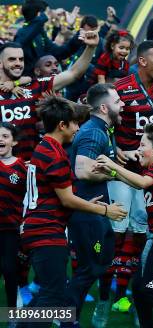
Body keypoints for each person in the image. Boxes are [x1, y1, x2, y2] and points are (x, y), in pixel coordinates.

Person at [20, 96, 126, 328]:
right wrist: (104, 209)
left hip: (40, 230)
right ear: (62, 125)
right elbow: (67, 200)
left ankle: (16, 321)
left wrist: (90, 203)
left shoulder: (46, 148)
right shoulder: (54, 154)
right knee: (52, 296)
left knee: (50, 293)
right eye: (75, 123)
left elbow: (63, 196)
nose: (79, 127)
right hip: (46, 232)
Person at [101, 40, 153, 315]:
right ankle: (107, 295)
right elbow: (103, 122)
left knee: (142, 234)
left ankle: (136, 296)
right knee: (116, 232)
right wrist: (116, 149)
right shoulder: (120, 88)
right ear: (143, 61)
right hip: (124, 172)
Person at [93, 124, 153, 328]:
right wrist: (112, 171)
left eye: (142, 144)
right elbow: (138, 183)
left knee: (149, 288)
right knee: (138, 287)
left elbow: (143, 183)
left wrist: (113, 165)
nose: (138, 149)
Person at [66, 84, 124, 326]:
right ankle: (65, 318)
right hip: (87, 211)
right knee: (88, 271)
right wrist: (115, 173)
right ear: (104, 107)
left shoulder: (102, 130)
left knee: (95, 267)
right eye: (118, 100)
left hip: (94, 210)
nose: (122, 104)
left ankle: (67, 317)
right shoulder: (94, 132)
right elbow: (82, 170)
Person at [0, 30, 99, 161]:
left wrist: (91, 48)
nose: (18, 63)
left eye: (21, 59)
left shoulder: (34, 86)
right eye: (12, 59)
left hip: (31, 166)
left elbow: (73, 74)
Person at [13, 0, 84, 76]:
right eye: (48, 12)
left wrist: (80, 34)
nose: (50, 16)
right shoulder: (22, 33)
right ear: (39, 14)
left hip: (41, 83)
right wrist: (46, 15)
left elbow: (59, 52)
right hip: (25, 84)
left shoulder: (40, 34)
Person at [0, 123, 26, 309]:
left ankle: (12, 312)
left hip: (10, 228)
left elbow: (28, 198)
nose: (0, 139)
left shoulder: (22, 167)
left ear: (14, 141)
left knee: (9, 270)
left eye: (5, 136)